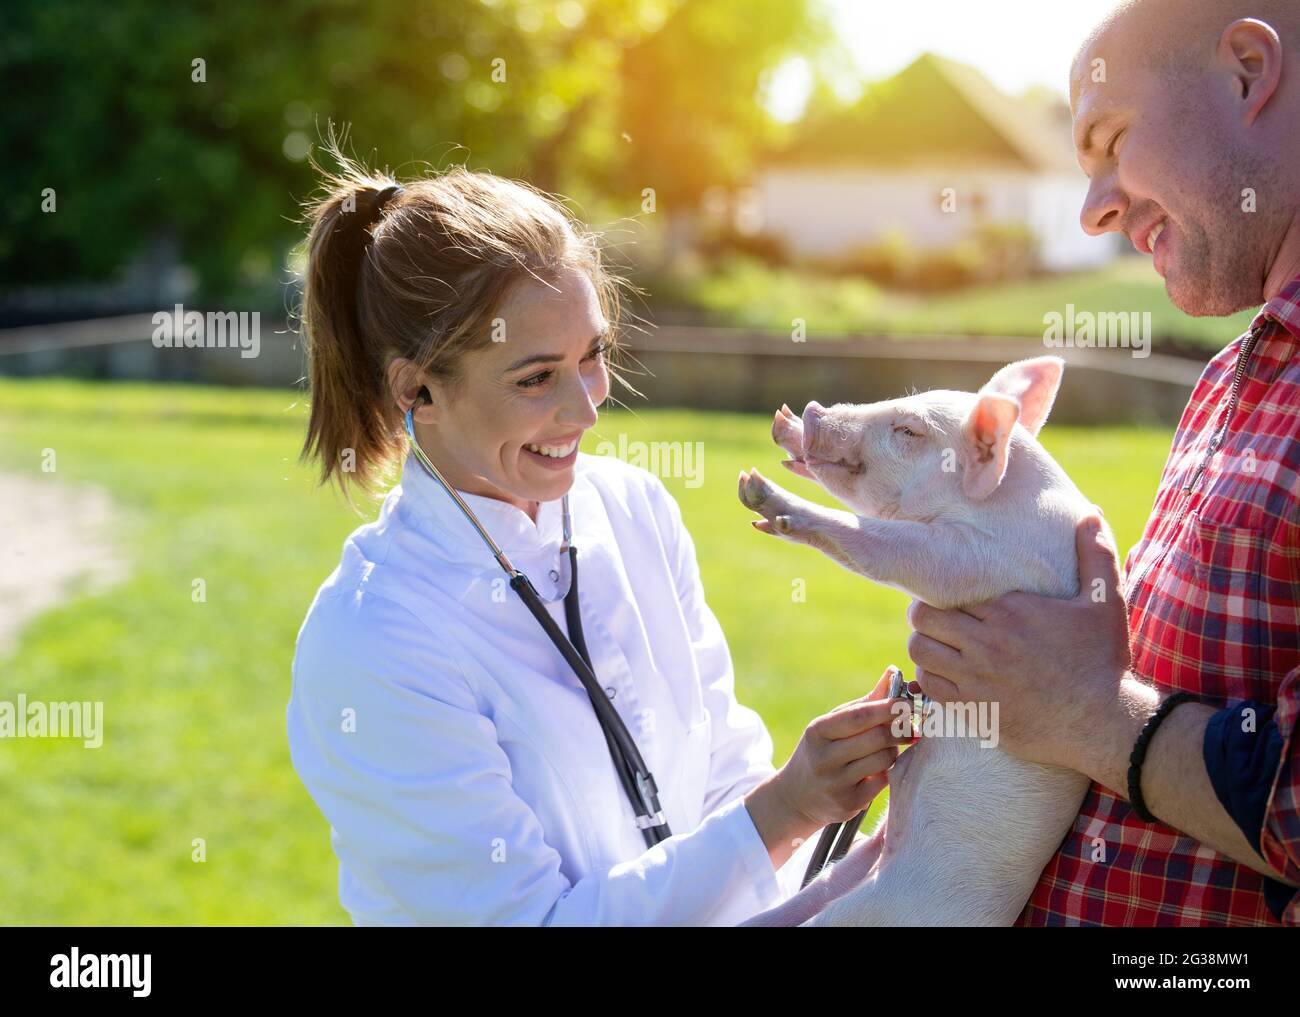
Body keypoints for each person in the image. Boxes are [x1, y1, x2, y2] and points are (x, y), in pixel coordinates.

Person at [283, 145, 911, 926]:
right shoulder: (372, 640)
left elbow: (722, 780)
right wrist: (785, 807)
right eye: (536, 377)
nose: (585, 410)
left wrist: (820, 812)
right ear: (418, 390)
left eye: (594, 356)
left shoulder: (634, 507)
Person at [906, 0, 1300, 925]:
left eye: (1113, 139)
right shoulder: (1230, 376)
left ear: (1247, 72)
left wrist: (1091, 710)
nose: (1094, 212)